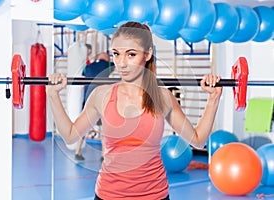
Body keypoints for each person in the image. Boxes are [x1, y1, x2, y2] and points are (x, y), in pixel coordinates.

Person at [46, 21, 222, 200]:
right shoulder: (102, 95)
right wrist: (53, 95)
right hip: (109, 195)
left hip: (155, 196)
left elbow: (198, 140)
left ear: (147, 54)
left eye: (130, 54)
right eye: (116, 54)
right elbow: (69, 135)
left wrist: (213, 99)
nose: (121, 63)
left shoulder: (162, 97)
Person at [75, 52, 114, 161]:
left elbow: (82, 84)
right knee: (105, 128)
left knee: (84, 127)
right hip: (100, 101)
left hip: (87, 100)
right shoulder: (108, 65)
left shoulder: (87, 67)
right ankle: (103, 155)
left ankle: (78, 151)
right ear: (106, 58)